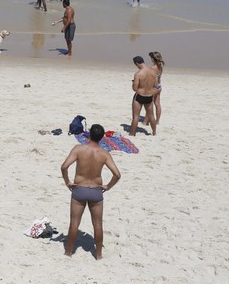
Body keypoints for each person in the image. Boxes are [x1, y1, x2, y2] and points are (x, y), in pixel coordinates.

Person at [60, 123, 121, 260]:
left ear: (89, 134)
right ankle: (98, 255)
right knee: (98, 224)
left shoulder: (78, 149)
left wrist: (67, 182)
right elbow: (117, 174)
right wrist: (108, 186)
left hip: (79, 189)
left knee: (74, 222)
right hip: (96, 191)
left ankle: (68, 252)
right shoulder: (104, 154)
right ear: (101, 138)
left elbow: (64, 167)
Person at [130, 56, 157, 136]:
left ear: (137, 63)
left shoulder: (138, 74)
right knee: (151, 116)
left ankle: (132, 133)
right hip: (149, 96)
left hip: (140, 96)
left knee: (136, 116)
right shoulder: (153, 71)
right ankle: (154, 133)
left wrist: (133, 83)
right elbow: (156, 85)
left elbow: (135, 88)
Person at [148, 51, 165, 125]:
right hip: (159, 86)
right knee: (157, 103)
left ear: (153, 59)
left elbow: (151, 79)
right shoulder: (160, 67)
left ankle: (146, 121)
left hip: (153, 87)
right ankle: (157, 121)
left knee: (149, 104)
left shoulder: (152, 68)